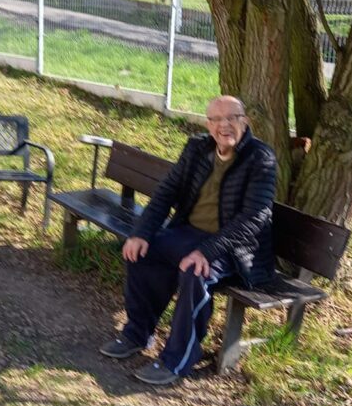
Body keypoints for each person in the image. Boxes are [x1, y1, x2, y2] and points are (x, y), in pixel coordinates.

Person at [101, 95, 277, 385]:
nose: (224, 125)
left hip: (235, 249)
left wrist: (206, 252)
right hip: (188, 233)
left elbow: (253, 219)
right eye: (216, 119)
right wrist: (141, 233)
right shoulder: (197, 148)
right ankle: (137, 334)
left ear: (244, 121)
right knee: (141, 253)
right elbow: (166, 192)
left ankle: (177, 361)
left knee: (194, 272)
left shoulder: (261, 158)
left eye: (231, 118)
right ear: (208, 125)